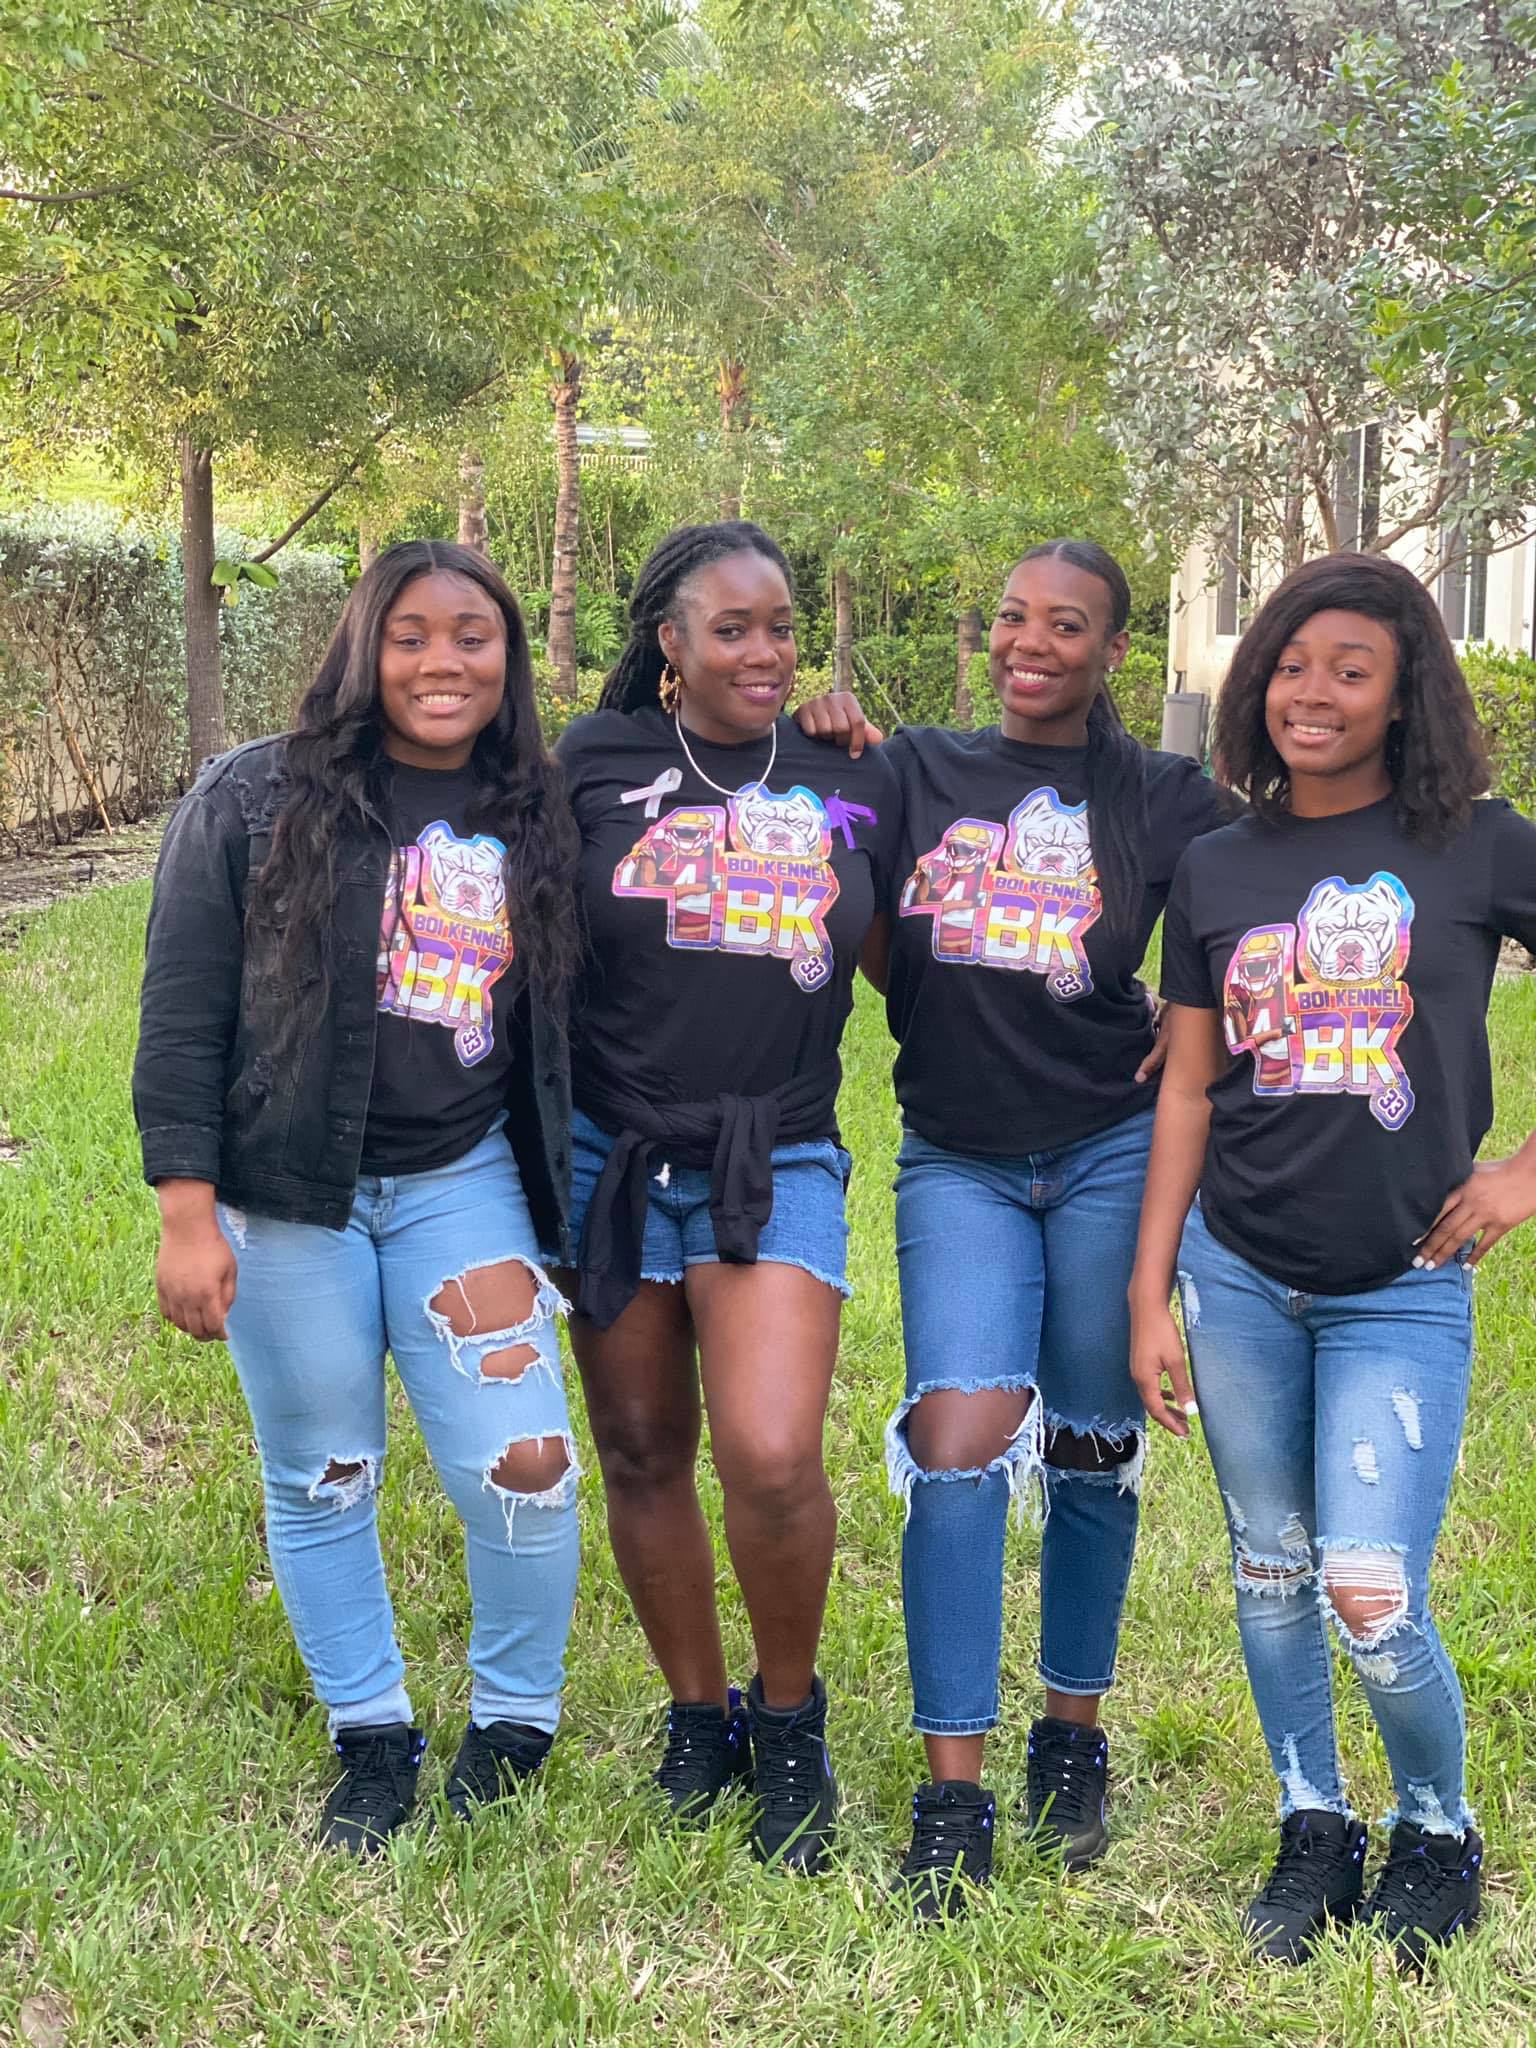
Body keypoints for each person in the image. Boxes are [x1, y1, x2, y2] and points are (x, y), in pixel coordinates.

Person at [133, 541, 583, 1854]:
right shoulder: (252, 798)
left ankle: (514, 1721)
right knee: (325, 1475)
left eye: (475, 636)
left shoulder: (533, 806)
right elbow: (181, 1018)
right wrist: (184, 1209)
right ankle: (372, 1735)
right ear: (363, 648)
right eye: (412, 635)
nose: (445, 661)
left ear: (507, 659)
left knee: (529, 1467)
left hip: (464, 1189)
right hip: (285, 1201)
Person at [806, 540, 1234, 1915]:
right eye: (1012, 618)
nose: (1030, 642)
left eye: (1068, 625)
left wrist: (1190, 1053)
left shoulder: (1162, 797)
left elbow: (1280, 888)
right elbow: (843, 895)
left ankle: (1072, 1738)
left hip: (1112, 1154)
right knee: (958, 1440)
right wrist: (823, 735)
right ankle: (953, 1794)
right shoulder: (914, 769)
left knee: (1096, 1447)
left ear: (1116, 650)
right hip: (959, 1162)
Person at [1129, 552, 1536, 1966]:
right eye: (1293, 666)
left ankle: (1438, 1826)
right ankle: (1316, 1821)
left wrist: (1527, 1172)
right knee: (1270, 1571)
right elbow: (1186, 1088)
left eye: (1350, 670)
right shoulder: (1220, 864)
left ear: (1404, 692)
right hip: (1238, 1275)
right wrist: (1150, 1292)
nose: (1315, 692)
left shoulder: (1478, 842)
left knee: (1371, 1588)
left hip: (1400, 1288)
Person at [551, 520, 899, 1873]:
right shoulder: (591, 765)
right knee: (641, 1450)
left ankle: (790, 1716)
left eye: (780, 622)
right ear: (669, 643)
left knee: (768, 1452)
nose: (766, 648)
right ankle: (699, 1715)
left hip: (781, 1153)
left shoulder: (845, 763)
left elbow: (905, 955)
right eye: (734, 627)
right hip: (613, 1156)